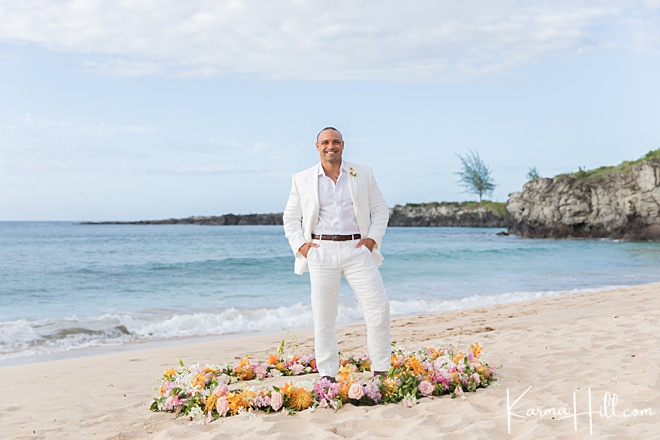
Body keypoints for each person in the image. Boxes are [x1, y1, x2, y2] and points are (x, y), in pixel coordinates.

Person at [283, 126, 391, 382]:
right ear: (317, 146)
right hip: (321, 252)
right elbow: (290, 218)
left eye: (335, 142)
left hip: (357, 250)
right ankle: (328, 374)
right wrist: (302, 247)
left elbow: (381, 210)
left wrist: (371, 240)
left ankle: (381, 369)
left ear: (343, 145)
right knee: (324, 315)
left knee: (379, 308)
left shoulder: (362, 173)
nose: (330, 146)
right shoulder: (302, 178)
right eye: (325, 142)